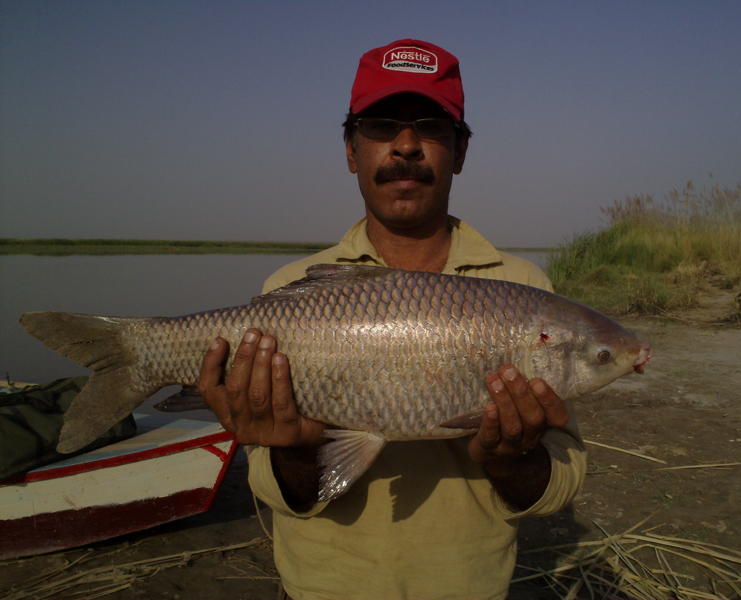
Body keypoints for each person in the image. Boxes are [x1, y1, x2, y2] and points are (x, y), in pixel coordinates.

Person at [199, 39, 586, 600]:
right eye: (381, 126)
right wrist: (292, 448)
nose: (405, 146)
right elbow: (282, 493)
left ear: (461, 150)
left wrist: (513, 457)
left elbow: (559, 484)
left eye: (429, 126)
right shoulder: (287, 290)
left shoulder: (525, 292)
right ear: (351, 150)